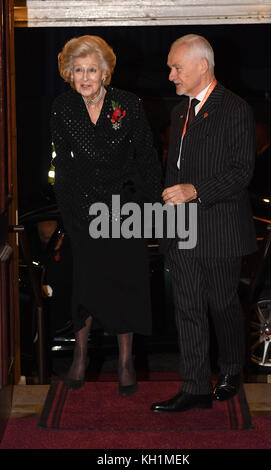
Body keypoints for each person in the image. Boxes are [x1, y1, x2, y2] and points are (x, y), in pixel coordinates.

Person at [151, 34, 257, 413]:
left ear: (202, 66)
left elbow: (241, 171)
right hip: (181, 232)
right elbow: (172, 175)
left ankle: (230, 370)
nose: (170, 76)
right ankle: (194, 386)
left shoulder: (235, 108)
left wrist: (195, 190)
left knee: (222, 305)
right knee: (188, 309)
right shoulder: (180, 111)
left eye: (176, 67)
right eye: (170, 67)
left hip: (220, 231)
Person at [51, 35, 161, 395]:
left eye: (92, 70)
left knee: (125, 284)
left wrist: (148, 204)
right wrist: (69, 214)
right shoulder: (63, 107)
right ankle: (81, 355)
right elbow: (62, 168)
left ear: (105, 73)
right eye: (78, 70)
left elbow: (146, 156)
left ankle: (126, 361)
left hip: (124, 210)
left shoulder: (127, 104)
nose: (85, 77)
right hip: (82, 211)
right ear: (70, 73)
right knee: (85, 285)